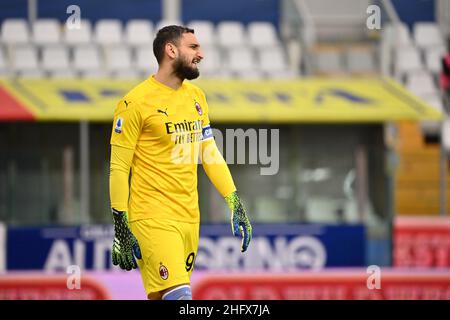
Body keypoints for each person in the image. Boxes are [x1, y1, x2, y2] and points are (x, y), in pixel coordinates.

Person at [108, 25, 252, 300]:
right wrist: (120, 222)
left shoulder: (196, 97)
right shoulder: (134, 103)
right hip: (152, 218)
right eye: (194, 47)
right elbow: (118, 167)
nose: (202, 54)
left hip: (189, 218)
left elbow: (208, 153)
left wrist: (234, 201)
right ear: (171, 50)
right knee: (180, 297)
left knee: (165, 296)